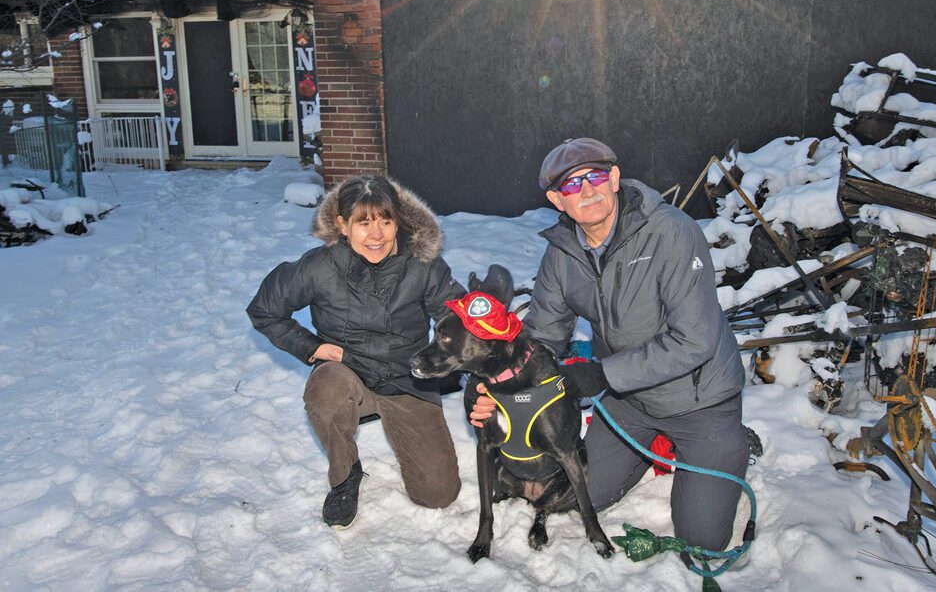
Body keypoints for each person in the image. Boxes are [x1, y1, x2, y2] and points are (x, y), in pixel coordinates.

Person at [470, 137, 748, 553]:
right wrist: (493, 384)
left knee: (701, 538)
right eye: (571, 185)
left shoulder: (670, 232)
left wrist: (601, 374)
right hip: (629, 402)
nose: (587, 190)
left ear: (615, 178)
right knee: (570, 497)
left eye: (595, 176)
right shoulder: (562, 255)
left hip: (700, 399)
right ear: (556, 200)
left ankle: (733, 442)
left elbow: (695, 340)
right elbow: (541, 337)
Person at [248, 175, 464, 529]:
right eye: (363, 223)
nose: (376, 235)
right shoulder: (319, 266)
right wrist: (311, 347)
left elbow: (455, 318)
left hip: (407, 379)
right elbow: (264, 309)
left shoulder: (423, 264)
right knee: (326, 391)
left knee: (438, 494)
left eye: (385, 221)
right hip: (349, 373)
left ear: (399, 221)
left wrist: (465, 354)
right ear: (342, 225)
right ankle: (345, 475)